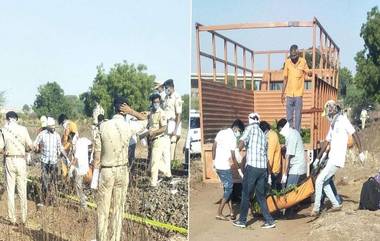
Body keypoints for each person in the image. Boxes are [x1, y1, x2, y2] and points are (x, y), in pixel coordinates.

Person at [93, 96, 147, 241]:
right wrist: (133, 112)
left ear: (113, 108)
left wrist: (94, 176)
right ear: (125, 110)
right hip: (122, 170)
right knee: (118, 210)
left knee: (103, 211)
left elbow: (97, 156)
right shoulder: (128, 126)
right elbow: (145, 120)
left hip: (106, 170)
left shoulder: (102, 126)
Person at [310, 100, 365, 216]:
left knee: (319, 180)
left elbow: (355, 134)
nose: (327, 118)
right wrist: (317, 158)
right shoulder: (333, 124)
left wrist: (361, 152)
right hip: (332, 158)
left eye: (328, 115)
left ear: (332, 112)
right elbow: (326, 141)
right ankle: (335, 204)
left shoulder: (343, 120)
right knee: (325, 182)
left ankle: (316, 208)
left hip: (337, 158)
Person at [232, 113, 276, 229]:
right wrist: (269, 174)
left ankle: (242, 220)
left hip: (252, 167)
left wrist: (237, 149)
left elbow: (242, 140)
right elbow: (266, 155)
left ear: (250, 120)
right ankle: (269, 221)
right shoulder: (262, 134)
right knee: (261, 196)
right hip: (262, 169)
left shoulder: (250, 129)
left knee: (245, 194)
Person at [0, 111, 33, 225]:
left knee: (10, 190)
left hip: (9, 160)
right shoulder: (23, 129)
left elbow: (0, 149)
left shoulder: (3, 130)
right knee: (22, 190)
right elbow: (30, 146)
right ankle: (23, 219)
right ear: (16, 119)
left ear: (7, 119)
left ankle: (12, 219)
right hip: (21, 160)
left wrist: (6, 152)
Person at [212, 119, 245, 221]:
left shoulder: (221, 132)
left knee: (227, 188)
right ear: (235, 128)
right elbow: (233, 156)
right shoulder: (232, 138)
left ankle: (231, 212)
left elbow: (214, 146)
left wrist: (213, 161)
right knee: (229, 189)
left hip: (218, 165)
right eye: (239, 131)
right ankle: (219, 213)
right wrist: (239, 170)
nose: (238, 133)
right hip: (224, 166)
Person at [34, 117, 67, 206]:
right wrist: (36, 147)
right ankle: (43, 200)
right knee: (44, 181)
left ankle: (54, 200)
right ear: (48, 126)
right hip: (44, 161)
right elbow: (35, 143)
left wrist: (66, 156)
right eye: (52, 126)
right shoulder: (42, 134)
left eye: (54, 126)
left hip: (54, 162)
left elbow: (60, 147)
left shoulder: (57, 135)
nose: (53, 127)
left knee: (54, 181)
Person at [281, 44, 312, 132]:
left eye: (295, 56)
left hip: (298, 94)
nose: (293, 58)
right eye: (291, 56)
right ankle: (290, 134)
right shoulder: (287, 62)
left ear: (298, 54)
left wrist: (309, 73)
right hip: (289, 94)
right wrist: (282, 94)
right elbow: (285, 78)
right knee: (289, 117)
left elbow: (308, 71)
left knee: (298, 116)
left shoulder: (303, 61)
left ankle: (297, 135)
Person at [148, 93, 171, 187]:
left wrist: (154, 132)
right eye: (154, 102)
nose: (156, 104)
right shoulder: (151, 112)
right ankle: (167, 173)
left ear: (160, 102)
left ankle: (153, 184)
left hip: (158, 139)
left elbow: (164, 128)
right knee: (153, 163)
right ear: (152, 102)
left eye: (157, 102)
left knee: (154, 162)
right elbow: (150, 125)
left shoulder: (161, 113)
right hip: (152, 140)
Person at [276, 118, 307, 187]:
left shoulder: (291, 136)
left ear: (283, 128)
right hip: (297, 167)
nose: (281, 133)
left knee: (288, 191)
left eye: (280, 130)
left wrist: (284, 174)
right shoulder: (293, 132)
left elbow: (287, 156)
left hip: (297, 168)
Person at [68, 133, 92, 209]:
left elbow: (76, 159)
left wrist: (70, 169)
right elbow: (91, 144)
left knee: (78, 187)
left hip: (80, 170)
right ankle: (85, 197)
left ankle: (84, 205)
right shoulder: (84, 140)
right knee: (84, 186)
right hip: (86, 168)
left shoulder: (77, 145)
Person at [163, 79, 183, 161]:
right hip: (166, 124)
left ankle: (171, 167)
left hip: (173, 125)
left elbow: (179, 115)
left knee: (172, 147)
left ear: (171, 87)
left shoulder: (177, 97)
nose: (166, 89)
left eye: (167, 88)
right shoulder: (166, 97)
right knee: (165, 148)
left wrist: (176, 129)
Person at [259, 121, 282, 190]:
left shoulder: (271, 137)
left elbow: (270, 157)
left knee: (270, 191)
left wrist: (268, 173)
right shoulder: (271, 135)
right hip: (270, 168)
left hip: (272, 169)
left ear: (265, 131)